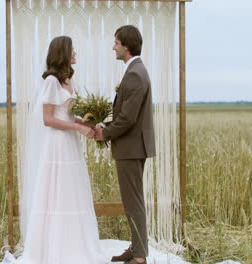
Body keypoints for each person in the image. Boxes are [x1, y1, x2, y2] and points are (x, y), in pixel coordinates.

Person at [18, 35, 105, 264]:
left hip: (69, 143)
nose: (75, 52)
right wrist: (77, 127)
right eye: (72, 49)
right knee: (56, 192)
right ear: (63, 53)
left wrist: (87, 123)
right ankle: (55, 248)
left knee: (71, 191)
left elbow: (66, 114)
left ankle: (74, 244)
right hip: (56, 144)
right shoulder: (51, 82)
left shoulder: (68, 81)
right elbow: (48, 119)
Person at [94, 25, 156, 264]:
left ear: (126, 46)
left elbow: (128, 118)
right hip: (133, 146)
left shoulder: (134, 74)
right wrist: (106, 126)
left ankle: (139, 256)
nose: (113, 47)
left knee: (133, 202)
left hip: (131, 147)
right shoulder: (136, 70)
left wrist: (105, 133)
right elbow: (127, 114)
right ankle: (137, 247)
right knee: (133, 200)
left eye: (116, 43)